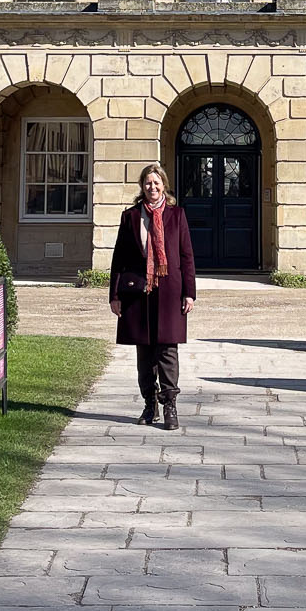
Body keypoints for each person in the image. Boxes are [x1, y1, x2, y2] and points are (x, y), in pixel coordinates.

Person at [108, 162, 196, 429]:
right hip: (138, 290)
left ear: (164, 186)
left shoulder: (177, 215)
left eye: (157, 183)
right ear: (142, 187)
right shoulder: (131, 216)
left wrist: (189, 293)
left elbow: (186, 256)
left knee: (167, 349)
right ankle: (150, 405)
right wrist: (114, 295)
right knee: (144, 352)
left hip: (170, 290)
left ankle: (170, 405)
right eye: (148, 183)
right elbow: (119, 257)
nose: (152, 187)